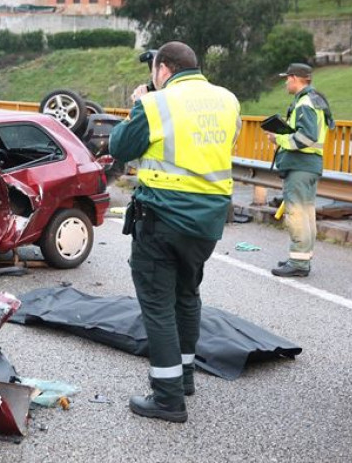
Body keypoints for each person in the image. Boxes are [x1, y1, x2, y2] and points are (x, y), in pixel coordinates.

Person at [108, 41, 241, 423]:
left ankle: (167, 398)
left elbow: (121, 146)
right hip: (208, 222)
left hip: (163, 218)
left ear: (163, 69)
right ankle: (183, 377)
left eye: (153, 69)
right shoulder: (227, 101)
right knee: (187, 295)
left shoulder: (155, 104)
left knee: (158, 304)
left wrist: (139, 103)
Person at [266, 63, 334, 277]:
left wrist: (279, 138)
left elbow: (306, 137)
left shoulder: (304, 103)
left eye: (287, 78)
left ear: (295, 78)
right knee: (306, 214)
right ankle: (301, 258)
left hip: (300, 166)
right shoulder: (315, 100)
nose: (286, 82)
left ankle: (299, 263)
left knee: (296, 214)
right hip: (309, 166)